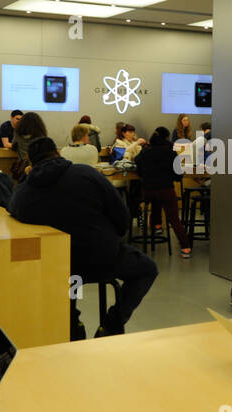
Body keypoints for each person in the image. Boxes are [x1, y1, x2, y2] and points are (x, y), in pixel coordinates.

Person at [11, 137, 159, 338]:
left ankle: (72, 324)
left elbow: (13, 210)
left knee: (72, 282)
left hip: (59, 267)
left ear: (30, 163)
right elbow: (122, 218)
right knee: (147, 269)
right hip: (101, 257)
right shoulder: (86, 174)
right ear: (58, 153)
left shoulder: (24, 192)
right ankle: (112, 324)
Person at [134, 127, 192, 258]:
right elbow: (178, 176)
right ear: (166, 139)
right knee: (174, 218)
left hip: (148, 191)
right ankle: (185, 247)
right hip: (165, 190)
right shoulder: (171, 153)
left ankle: (156, 226)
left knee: (155, 200)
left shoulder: (145, 152)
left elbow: (139, 171)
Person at [11, 112, 49, 180]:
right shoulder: (41, 135)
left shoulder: (17, 133)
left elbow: (13, 147)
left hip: (23, 167)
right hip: (38, 167)